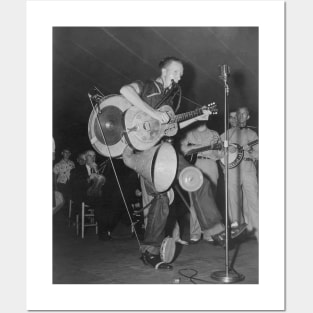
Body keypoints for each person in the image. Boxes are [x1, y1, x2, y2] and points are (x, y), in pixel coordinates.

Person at [120, 56, 211, 270]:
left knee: (191, 180)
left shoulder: (170, 101)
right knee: (161, 197)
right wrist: (152, 113)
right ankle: (150, 251)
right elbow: (125, 90)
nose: (178, 78)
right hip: (140, 151)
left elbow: (172, 128)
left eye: (181, 75)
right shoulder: (147, 86)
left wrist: (197, 117)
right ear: (164, 71)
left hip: (160, 151)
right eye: (175, 72)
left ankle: (217, 230)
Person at [180, 122, 224, 243]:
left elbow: (221, 154)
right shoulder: (189, 133)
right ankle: (195, 233)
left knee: (210, 200)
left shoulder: (214, 134)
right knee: (194, 200)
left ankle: (209, 234)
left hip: (210, 164)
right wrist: (197, 148)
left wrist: (218, 150)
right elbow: (182, 150)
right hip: (194, 165)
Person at [220, 107, 259, 241]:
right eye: (239, 114)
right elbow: (217, 152)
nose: (241, 116)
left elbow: (260, 154)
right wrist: (226, 151)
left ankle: (258, 232)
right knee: (233, 200)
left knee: (254, 200)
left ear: (248, 117)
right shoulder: (227, 133)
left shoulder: (253, 134)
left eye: (244, 114)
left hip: (248, 167)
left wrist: (252, 151)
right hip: (232, 170)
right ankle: (237, 231)